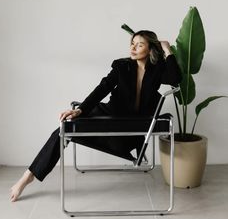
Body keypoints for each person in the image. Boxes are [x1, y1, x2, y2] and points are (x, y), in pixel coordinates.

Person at [10, 30, 181, 202]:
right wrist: (81, 109)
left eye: (140, 44)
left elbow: (176, 78)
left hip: (129, 127)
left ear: (150, 48)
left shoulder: (157, 69)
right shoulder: (122, 66)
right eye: (132, 43)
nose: (133, 47)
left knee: (67, 130)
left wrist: (167, 49)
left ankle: (29, 175)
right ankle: (28, 176)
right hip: (107, 115)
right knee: (64, 128)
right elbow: (103, 88)